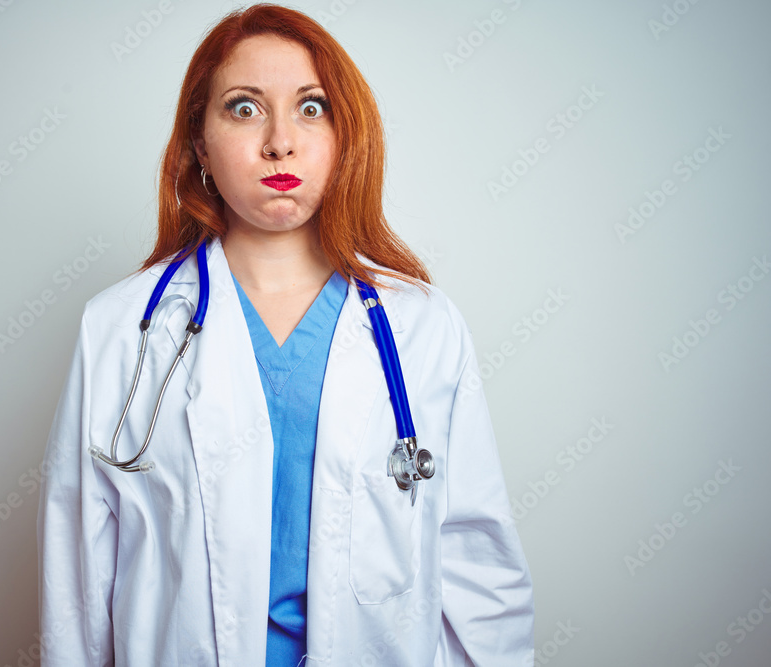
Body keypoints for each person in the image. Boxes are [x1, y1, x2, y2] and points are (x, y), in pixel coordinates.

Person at [36, 4, 534, 665]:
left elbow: (479, 568)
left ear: (344, 134)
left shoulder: (421, 326)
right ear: (200, 141)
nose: (280, 141)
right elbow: (76, 576)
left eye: (311, 107)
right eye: (244, 108)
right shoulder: (122, 328)